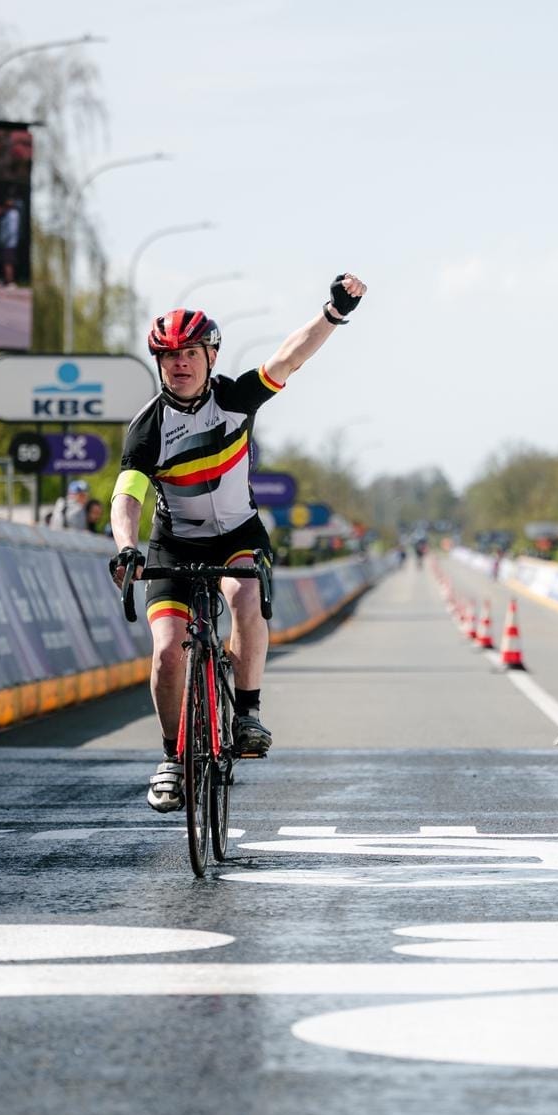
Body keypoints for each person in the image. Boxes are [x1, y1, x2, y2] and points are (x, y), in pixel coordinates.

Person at [109, 273, 367, 812]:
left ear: (211, 356)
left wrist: (333, 313)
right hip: (175, 545)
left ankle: (247, 713)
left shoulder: (234, 396)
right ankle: (171, 757)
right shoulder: (147, 428)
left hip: (237, 535)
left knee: (245, 597)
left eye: (189, 354)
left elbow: (290, 357)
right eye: (168, 356)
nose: (179, 364)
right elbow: (127, 496)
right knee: (166, 652)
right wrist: (127, 546)